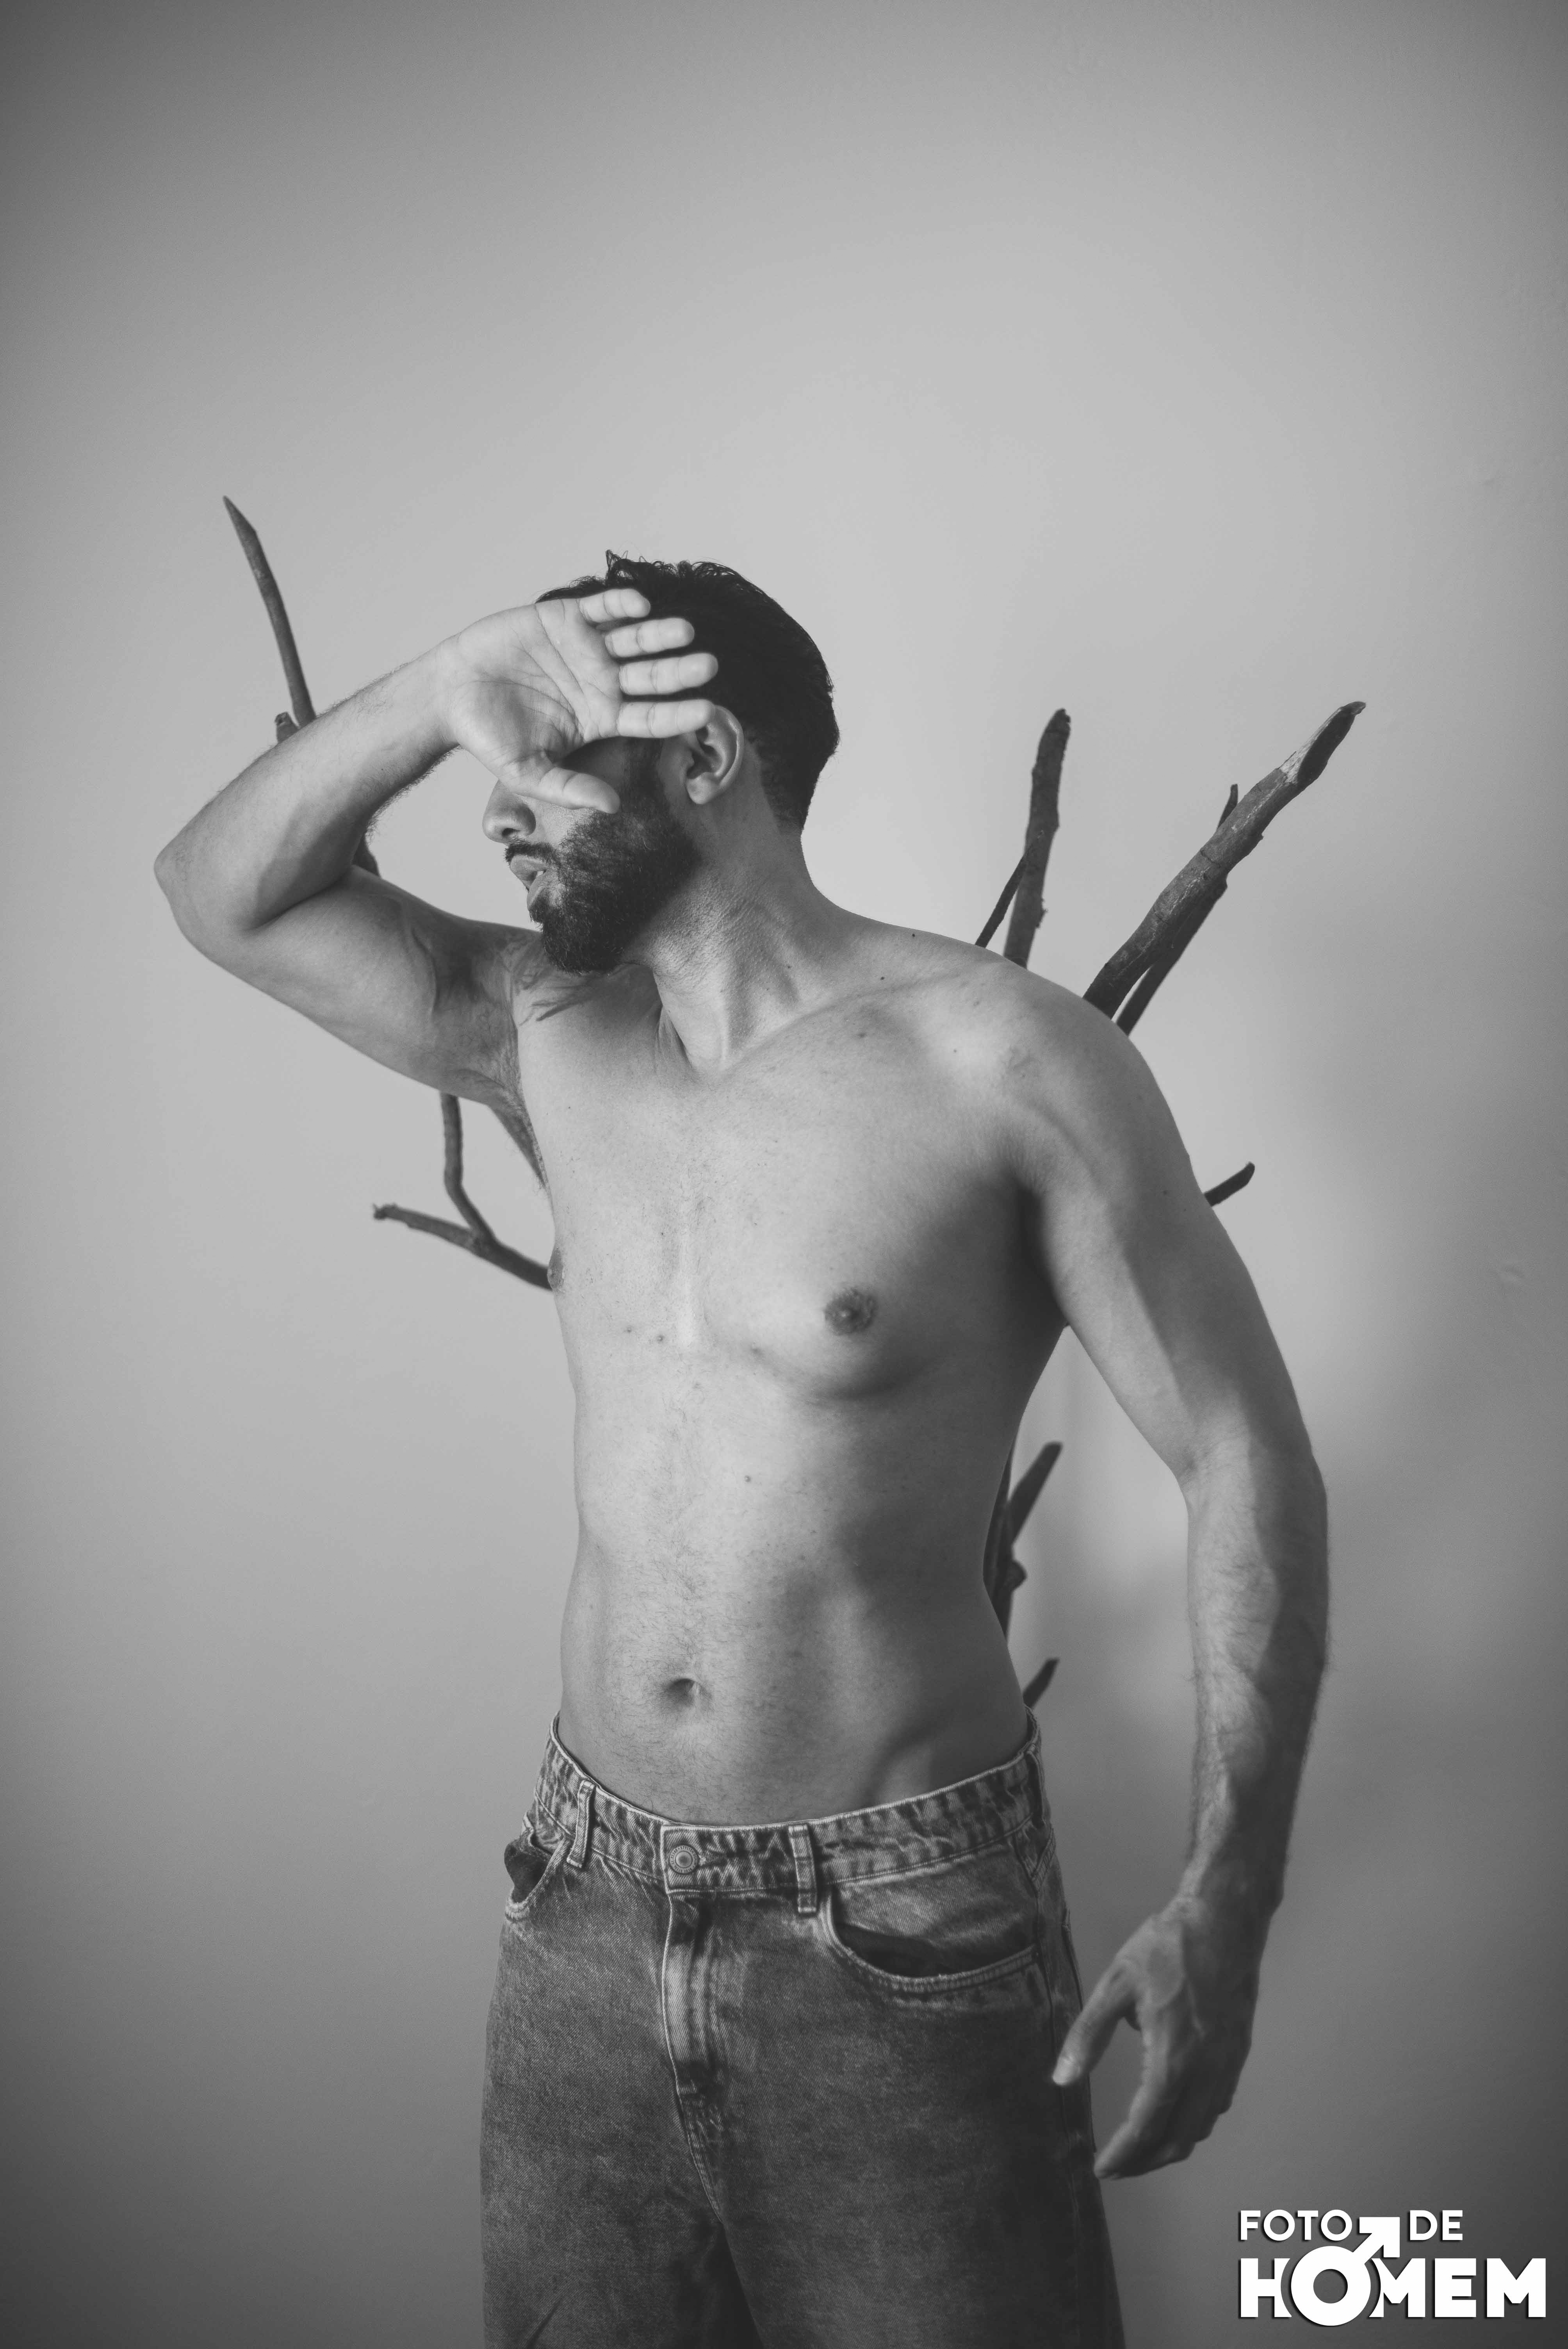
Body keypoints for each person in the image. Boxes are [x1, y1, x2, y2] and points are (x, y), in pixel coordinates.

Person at [155, 556, 1327, 2347]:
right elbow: (216, 891)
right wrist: (448, 681)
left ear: (704, 759)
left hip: (895, 1932)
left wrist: (1224, 1901)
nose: (495, 806)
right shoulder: (549, 1029)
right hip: (580, 1907)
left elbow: (1239, 1451)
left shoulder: (1001, 1063)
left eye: (548, 763)